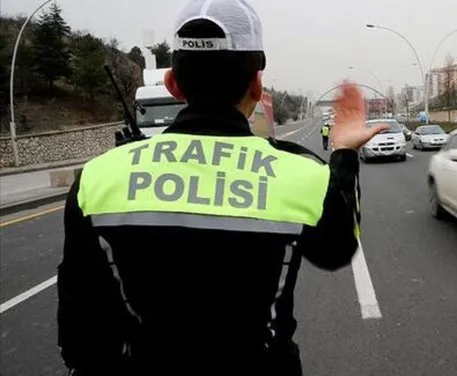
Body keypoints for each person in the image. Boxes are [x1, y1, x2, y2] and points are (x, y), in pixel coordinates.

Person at [56, 1, 389, 375]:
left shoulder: (98, 177)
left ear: (173, 84)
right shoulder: (301, 174)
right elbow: (338, 249)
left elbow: (82, 325)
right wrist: (343, 154)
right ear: (256, 83)